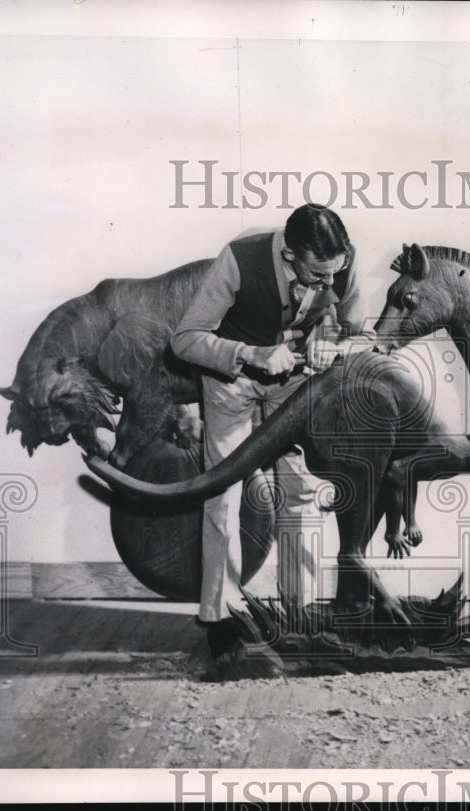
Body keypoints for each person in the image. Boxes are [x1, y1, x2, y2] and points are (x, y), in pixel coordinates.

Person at [170, 204, 368, 673]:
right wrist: (251, 353)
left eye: (332, 275)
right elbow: (186, 338)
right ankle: (221, 618)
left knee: (298, 491)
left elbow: (361, 333)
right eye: (317, 275)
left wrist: (333, 343)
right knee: (222, 495)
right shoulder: (240, 258)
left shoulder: (342, 260)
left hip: (295, 385)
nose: (326, 285)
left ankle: (297, 613)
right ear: (290, 253)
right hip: (231, 384)